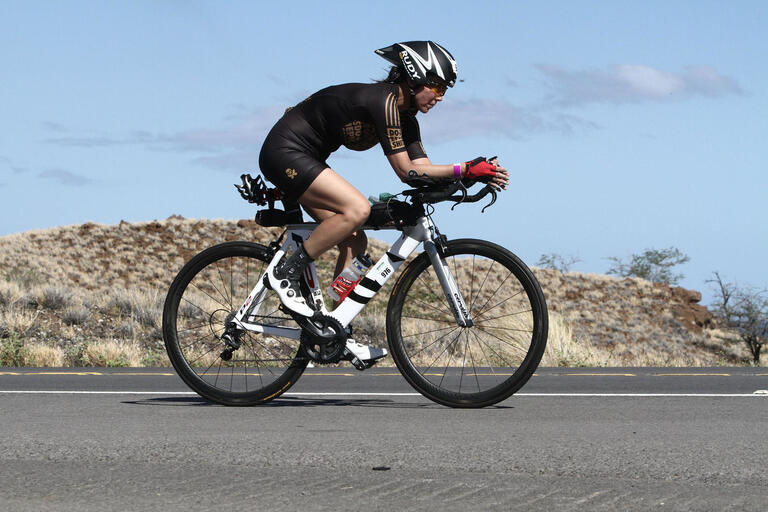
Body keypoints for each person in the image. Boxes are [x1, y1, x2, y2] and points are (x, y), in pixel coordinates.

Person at [258, 41, 509, 364]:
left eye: (444, 90)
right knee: (357, 209)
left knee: (354, 239)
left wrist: (469, 176)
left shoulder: (407, 119)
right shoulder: (385, 101)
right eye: (437, 86)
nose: (441, 96)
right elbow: (407, 170)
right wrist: (464, 167)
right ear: (416, 77)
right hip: (285, 151)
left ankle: (329, 324)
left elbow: (422, 172)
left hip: (307, 157)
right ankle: (285, 272)